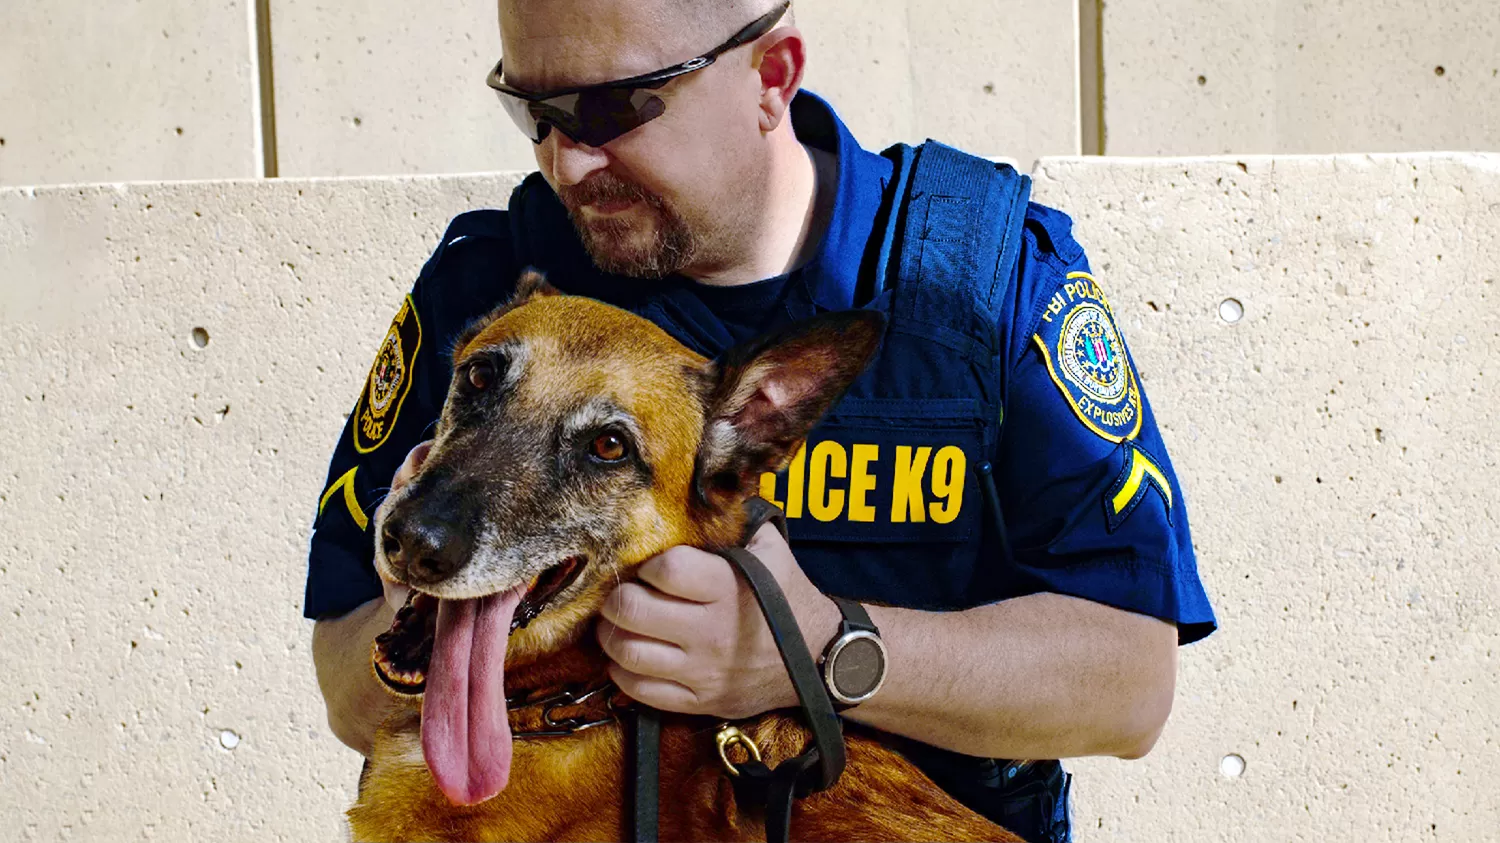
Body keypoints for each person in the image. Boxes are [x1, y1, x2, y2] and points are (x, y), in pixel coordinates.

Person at [306, 1, 1217, 839]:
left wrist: (812, 651)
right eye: (535, 113)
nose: (564, 162)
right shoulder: (490, 287)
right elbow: (348, 687)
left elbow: (1130, 686)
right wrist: (422, 602)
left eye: (613, 109)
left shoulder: (983, 284)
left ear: (772, 76)